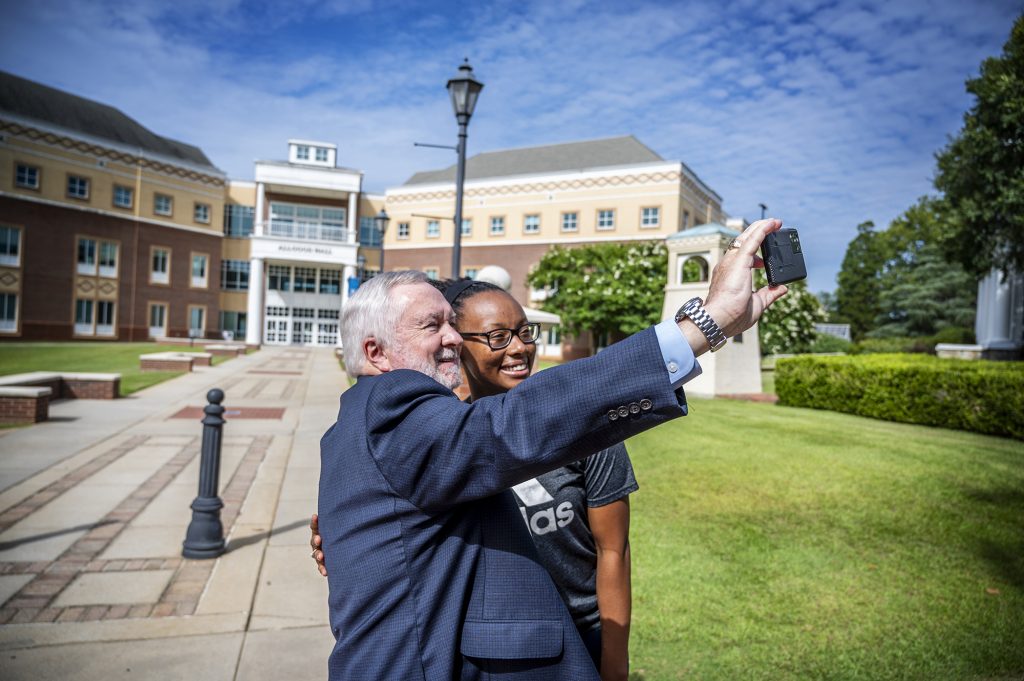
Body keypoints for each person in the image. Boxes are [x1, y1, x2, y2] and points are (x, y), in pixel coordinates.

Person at [317, 219, 788, 680]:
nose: (453, 338)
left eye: (451, 323)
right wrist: (706, 325)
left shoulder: (349, 428)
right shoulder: (393, 405)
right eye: (432, 325)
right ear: (376, 353)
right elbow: (516, 424)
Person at [312, 278, 638, 679]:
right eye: (497, 336)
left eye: (523, 332)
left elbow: (614, 552)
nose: (518, 347)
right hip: (501, 643)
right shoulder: (434, 437)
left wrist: (615, 665)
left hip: (579, 628)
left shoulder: (580, 430)